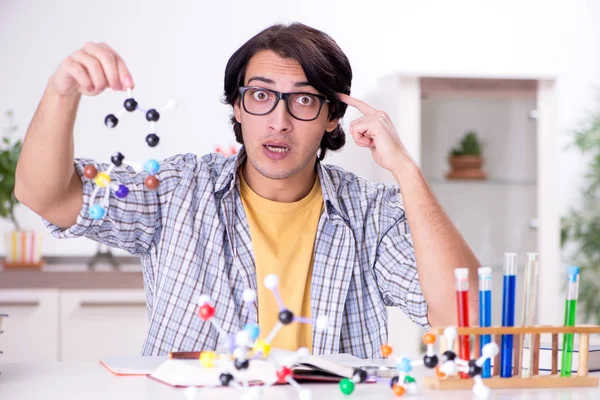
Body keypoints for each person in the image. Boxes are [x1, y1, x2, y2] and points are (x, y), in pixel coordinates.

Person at [15, 22, 480, 358]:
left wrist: (405, 168)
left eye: (303, 99)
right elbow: (47, 197)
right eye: (260, 95)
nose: (278, 121)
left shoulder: (371, 213)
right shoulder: (177, 190)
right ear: (238, 108)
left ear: (333, 117)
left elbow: (467, 320)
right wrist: (62, 91)